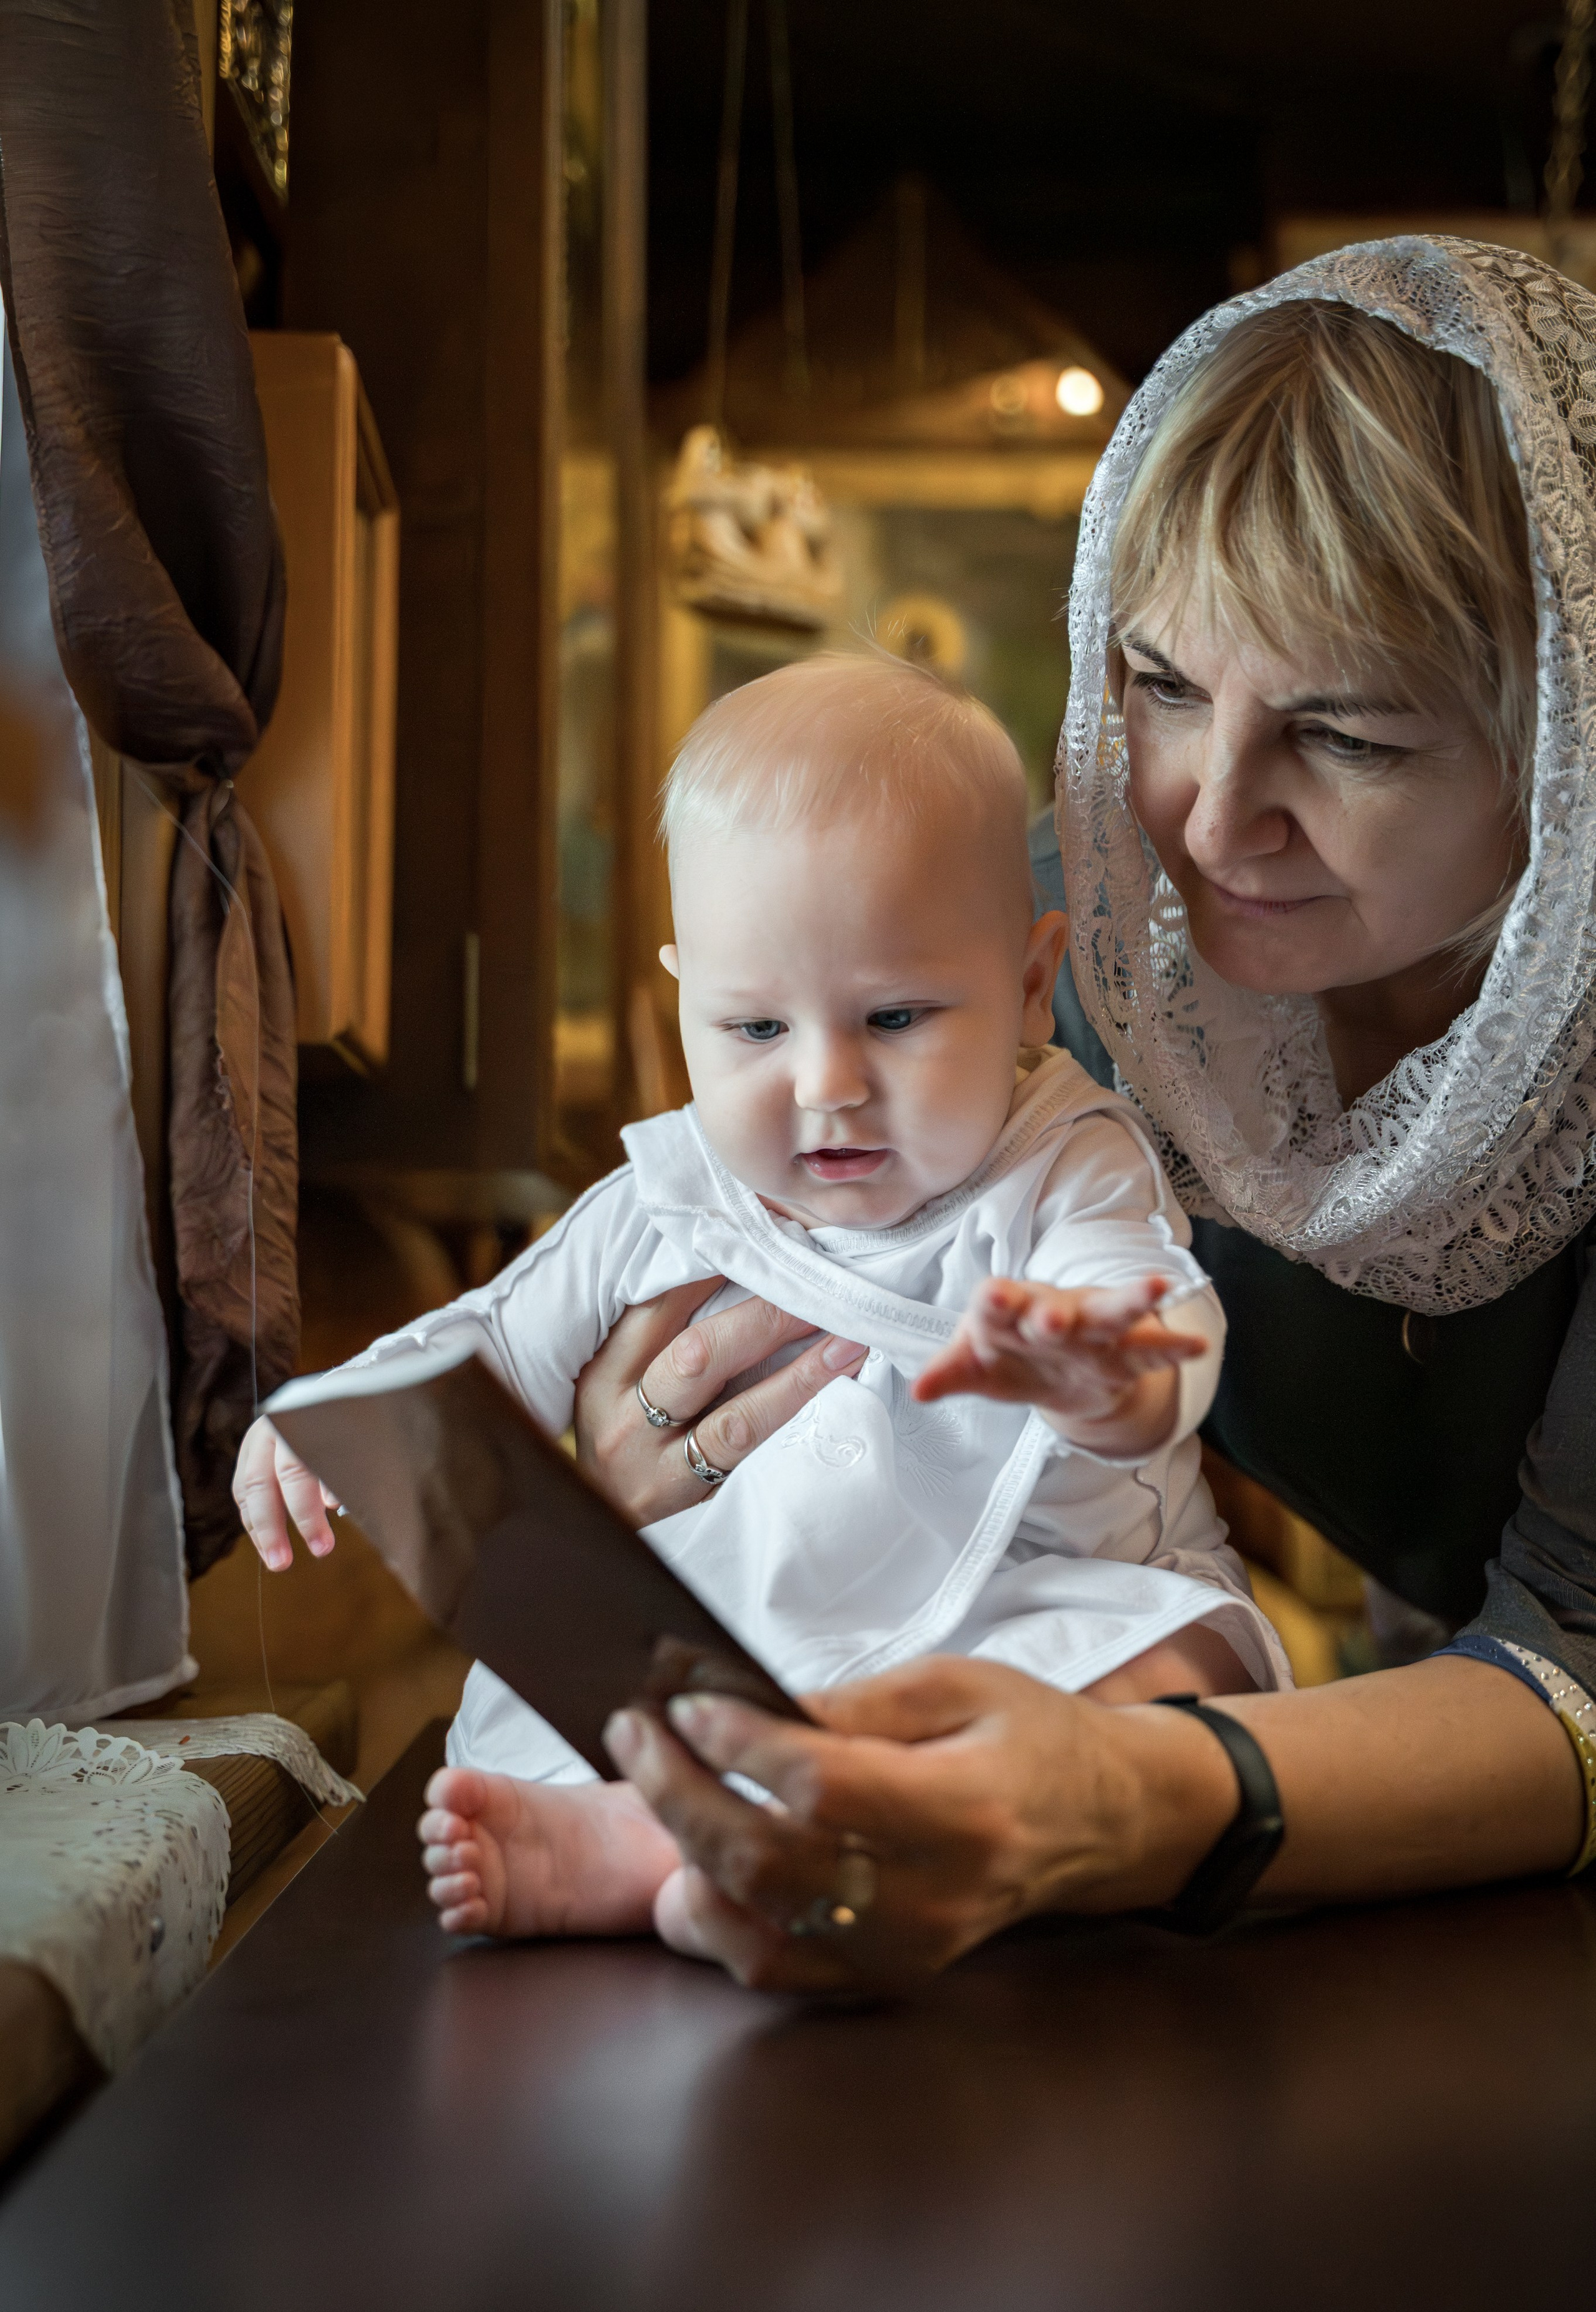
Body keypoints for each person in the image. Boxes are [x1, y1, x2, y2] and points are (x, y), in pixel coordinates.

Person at [559, 239, 1596, 1993]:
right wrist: (645, 1442)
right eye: (1164, 686)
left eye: (1343, 736)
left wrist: (1121, 1794)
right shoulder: (1060, 944)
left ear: (1564, 747)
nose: (1203, 820)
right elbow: (783, 1277)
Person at [235, 653, 1287, 1940]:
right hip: (764, 1622)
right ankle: (632, 1838)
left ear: (1025, 984)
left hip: (1039, 1603)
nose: (824, 1084)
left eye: (894, 1016)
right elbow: (492, 1337)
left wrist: (1108, 1375)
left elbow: (1154, 1308)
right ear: (685, 994)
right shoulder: (677, 1192)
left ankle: (672, 1845)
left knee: (1189, 1667)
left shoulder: (1061, 1155)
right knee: (603, 1701)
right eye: (752, 1030)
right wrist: (333, 1416)